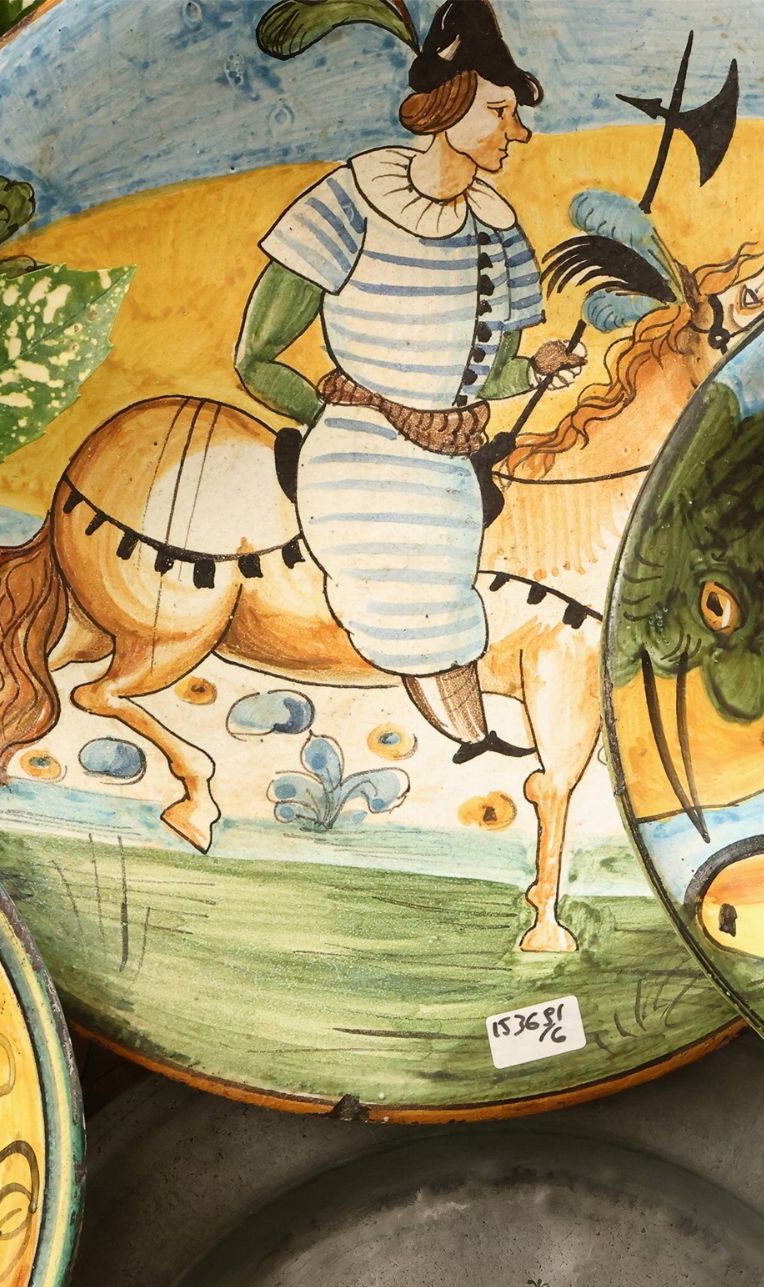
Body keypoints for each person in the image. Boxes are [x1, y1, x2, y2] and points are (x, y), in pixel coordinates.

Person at [233, 0, 585, 761]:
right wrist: (346, 411)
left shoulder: (497, 229)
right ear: (448, 103)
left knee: (450, 601)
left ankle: (472, 739)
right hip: (358, 458)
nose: (517, 132)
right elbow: (255, 358)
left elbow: (489, 375)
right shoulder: (350, 202)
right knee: (408, 595)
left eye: (515, 114)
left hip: (445, 459)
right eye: (499, 111)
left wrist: (538, 368)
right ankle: (470, 736)